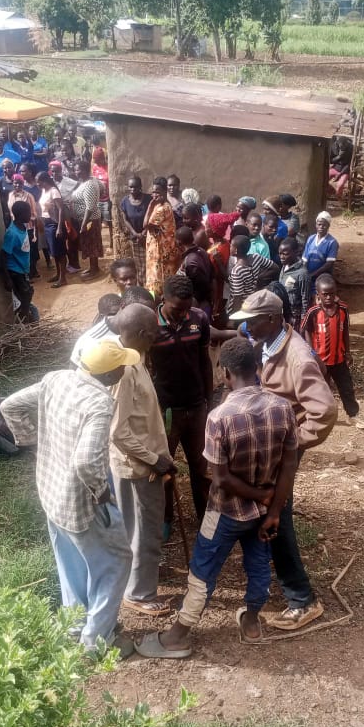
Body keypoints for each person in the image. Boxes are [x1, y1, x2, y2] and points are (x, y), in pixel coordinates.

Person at [135, 337, 299, 658]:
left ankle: (177, 636)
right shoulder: (282, 409)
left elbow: (221, 479)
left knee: (203, 569)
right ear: (258, 368)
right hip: (264, 514)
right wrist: (273, 506)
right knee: (258, 565)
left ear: (224, 373)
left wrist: (262, 496)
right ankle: (251, 621)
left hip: (224, 511)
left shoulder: (219, 418)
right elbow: (289, 465)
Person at [0, 339, 138, 654]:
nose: (123, 370)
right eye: (121, 366)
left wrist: (32, 441)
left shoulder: (55, 379)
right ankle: (96, 641)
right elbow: (86, 462)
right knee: (116, 562)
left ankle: (75, 627)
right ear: (110, 373)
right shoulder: (99, 403)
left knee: (72, 561)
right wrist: (102, 493)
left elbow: (9, 405)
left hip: (50, 493)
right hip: (81, 504)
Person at [229, 289, 336, 631]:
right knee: (272, 512)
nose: (246, 326)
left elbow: (323, 411)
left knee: (278, 517)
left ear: (273, 319)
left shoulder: (297, 357)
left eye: (252, 320)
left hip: (280, 451)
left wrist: (293, 445)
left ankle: (302, 600)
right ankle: (291, 588)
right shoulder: (269, 342)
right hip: (269, 447)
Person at [108, 305, 177, 616]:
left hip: (141, 462)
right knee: (145, 530)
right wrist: (155, 459)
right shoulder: (123, 370)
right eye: (151, 334)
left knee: (137, 528)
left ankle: (138, 580)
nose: (155, 338)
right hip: (139, 467)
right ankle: (140, 593)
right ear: (139, 334)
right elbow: (118, 431)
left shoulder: (134, 358)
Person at [148, 275, 213, 528]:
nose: (182, 314)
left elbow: (205, 361)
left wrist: (208, 402)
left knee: (201, 466)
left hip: (196, 407)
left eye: (186, 308)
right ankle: (165, 520)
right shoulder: (150, 324)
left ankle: (205, 518)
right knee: (164, 468)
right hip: (165, 411)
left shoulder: (199, 319)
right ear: (163, 299)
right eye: (177, 309)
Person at [300, 275, 364, 430]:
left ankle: (353, 415)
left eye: (332, 293)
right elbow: (305, 331)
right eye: (325, 294)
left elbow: (345, 332)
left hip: (338, 359)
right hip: (320, 361)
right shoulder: (313, 312)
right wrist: (312, 354)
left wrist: (348, 352)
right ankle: (316, 416)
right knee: (319, 389)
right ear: (318, 294)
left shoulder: (343, 309)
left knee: (346, 387)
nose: (329, 297)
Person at [1, 201, 38, 323]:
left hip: (23, 269)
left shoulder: (23, 226)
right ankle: (24, 318)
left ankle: (25, 314)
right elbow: (3, 255)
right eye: (28, 212)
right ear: (20, 214)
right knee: (25, 294)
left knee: (26, 293)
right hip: (15, 271)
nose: (30, 215)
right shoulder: (12, 233)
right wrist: (7, 278)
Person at [143, 176, 180, 299]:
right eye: (153, 192)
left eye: (158, 192)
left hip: (160, 252)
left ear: (165, 192)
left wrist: (149, 206)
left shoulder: (162, 208)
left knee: (157, 281)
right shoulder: (163, 204)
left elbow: (145, 225)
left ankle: (156, 304)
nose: (154, 195)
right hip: (161, 250)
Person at [227, 235, 278, 316]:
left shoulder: (237, 271)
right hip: (252, 303)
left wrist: (233, 315)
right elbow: (275, 267)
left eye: (231, 246)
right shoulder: (256, 257)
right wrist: (259, 278)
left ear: (236, 250)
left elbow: (238, 297)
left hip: (241, 309)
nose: (229, 248)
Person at [70, 159, 104, 278]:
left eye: (78, 170)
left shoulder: (89, 184)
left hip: (90, 220)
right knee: (88, 244)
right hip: (86, 219)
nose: (76, 172)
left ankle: (95, 270)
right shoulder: (88, 181)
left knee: (92, 244)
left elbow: (89, 208)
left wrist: (84, 224)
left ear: (85, 170)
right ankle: (92, 267)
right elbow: (102, 188)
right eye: (75, 170)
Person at [7, 174, 41, 279]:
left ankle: (32, 271)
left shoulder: (29, 196)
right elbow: (10, 212)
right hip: (16, 227)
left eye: (20, 183)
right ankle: (27, 272)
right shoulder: (11, 195)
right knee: (22, 250)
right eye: (15, 182)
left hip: (29, 226)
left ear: (23, 184)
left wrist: (29, 220)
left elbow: (34, 213)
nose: (17, 185)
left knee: (31, 250)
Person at [119, 176, 151, 287]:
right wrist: (135, 233)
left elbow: (153, 217)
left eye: (135, 187)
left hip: (149, 236)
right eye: (131, 187)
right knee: (139, 264)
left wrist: (144, 232)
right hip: (135, 238)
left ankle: (149, 286)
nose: (133, 189)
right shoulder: (125, 201)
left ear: (140, 187)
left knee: (149, 263)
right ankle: (142, 286)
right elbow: (125, 219)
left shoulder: (148, 199)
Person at [176, 226, 214, 317]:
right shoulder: (202, 251)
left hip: (198, 303)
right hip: (206, 300)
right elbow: (212, 274)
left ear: (179, 242)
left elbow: (200, 286)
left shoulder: (190, 262)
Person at [20, 164, 51, 271]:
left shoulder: (38, 184)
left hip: (40, 211)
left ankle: (48, 260)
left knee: (43, 236)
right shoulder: (22, 185)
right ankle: (34, 265)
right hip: (28, 213)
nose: (21, 173)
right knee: (32, 237)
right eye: (21, 171)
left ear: (30, 172)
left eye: (23, 171)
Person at [278, 237, 311, 330]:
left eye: (285, 254)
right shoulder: (285, 265)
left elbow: (306, 299)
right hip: (283, 312)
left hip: (294, 316)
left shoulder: (302, 273)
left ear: (295, 252)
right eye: (280, 253)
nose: (281, 257)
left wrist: (303, 320)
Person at [303, 212, 339, 281]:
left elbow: (329, 264)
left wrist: (313, 274)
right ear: (316, 225)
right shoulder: (311, 239)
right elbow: (305, 260)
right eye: (319, 224)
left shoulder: (332, 242)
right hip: (308, 275)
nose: (321, 227)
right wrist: (304, 273)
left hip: (323, 277)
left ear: (328, 226)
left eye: (324, 225)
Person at [91, 147, 113, 249]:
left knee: (109, 222)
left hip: (106, 200)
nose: (97, 162)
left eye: (98, 160)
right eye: (95, 160)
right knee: (97, 223)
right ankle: (98, 244)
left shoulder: (109, 167)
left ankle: (112, 243)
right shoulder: (95, 167)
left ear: (102, 159)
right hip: (97, 200)